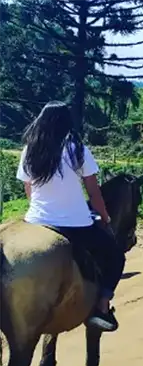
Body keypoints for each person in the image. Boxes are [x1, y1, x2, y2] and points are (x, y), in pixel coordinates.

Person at [15, 101, 124, 332]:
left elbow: (29, 190)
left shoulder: (29, 150)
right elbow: (94, 192)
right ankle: (102, 308)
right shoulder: (78, 150)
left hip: (36, 221)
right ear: (67, 123)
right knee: (115, 255)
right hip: (74, 224)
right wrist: (105, 219)